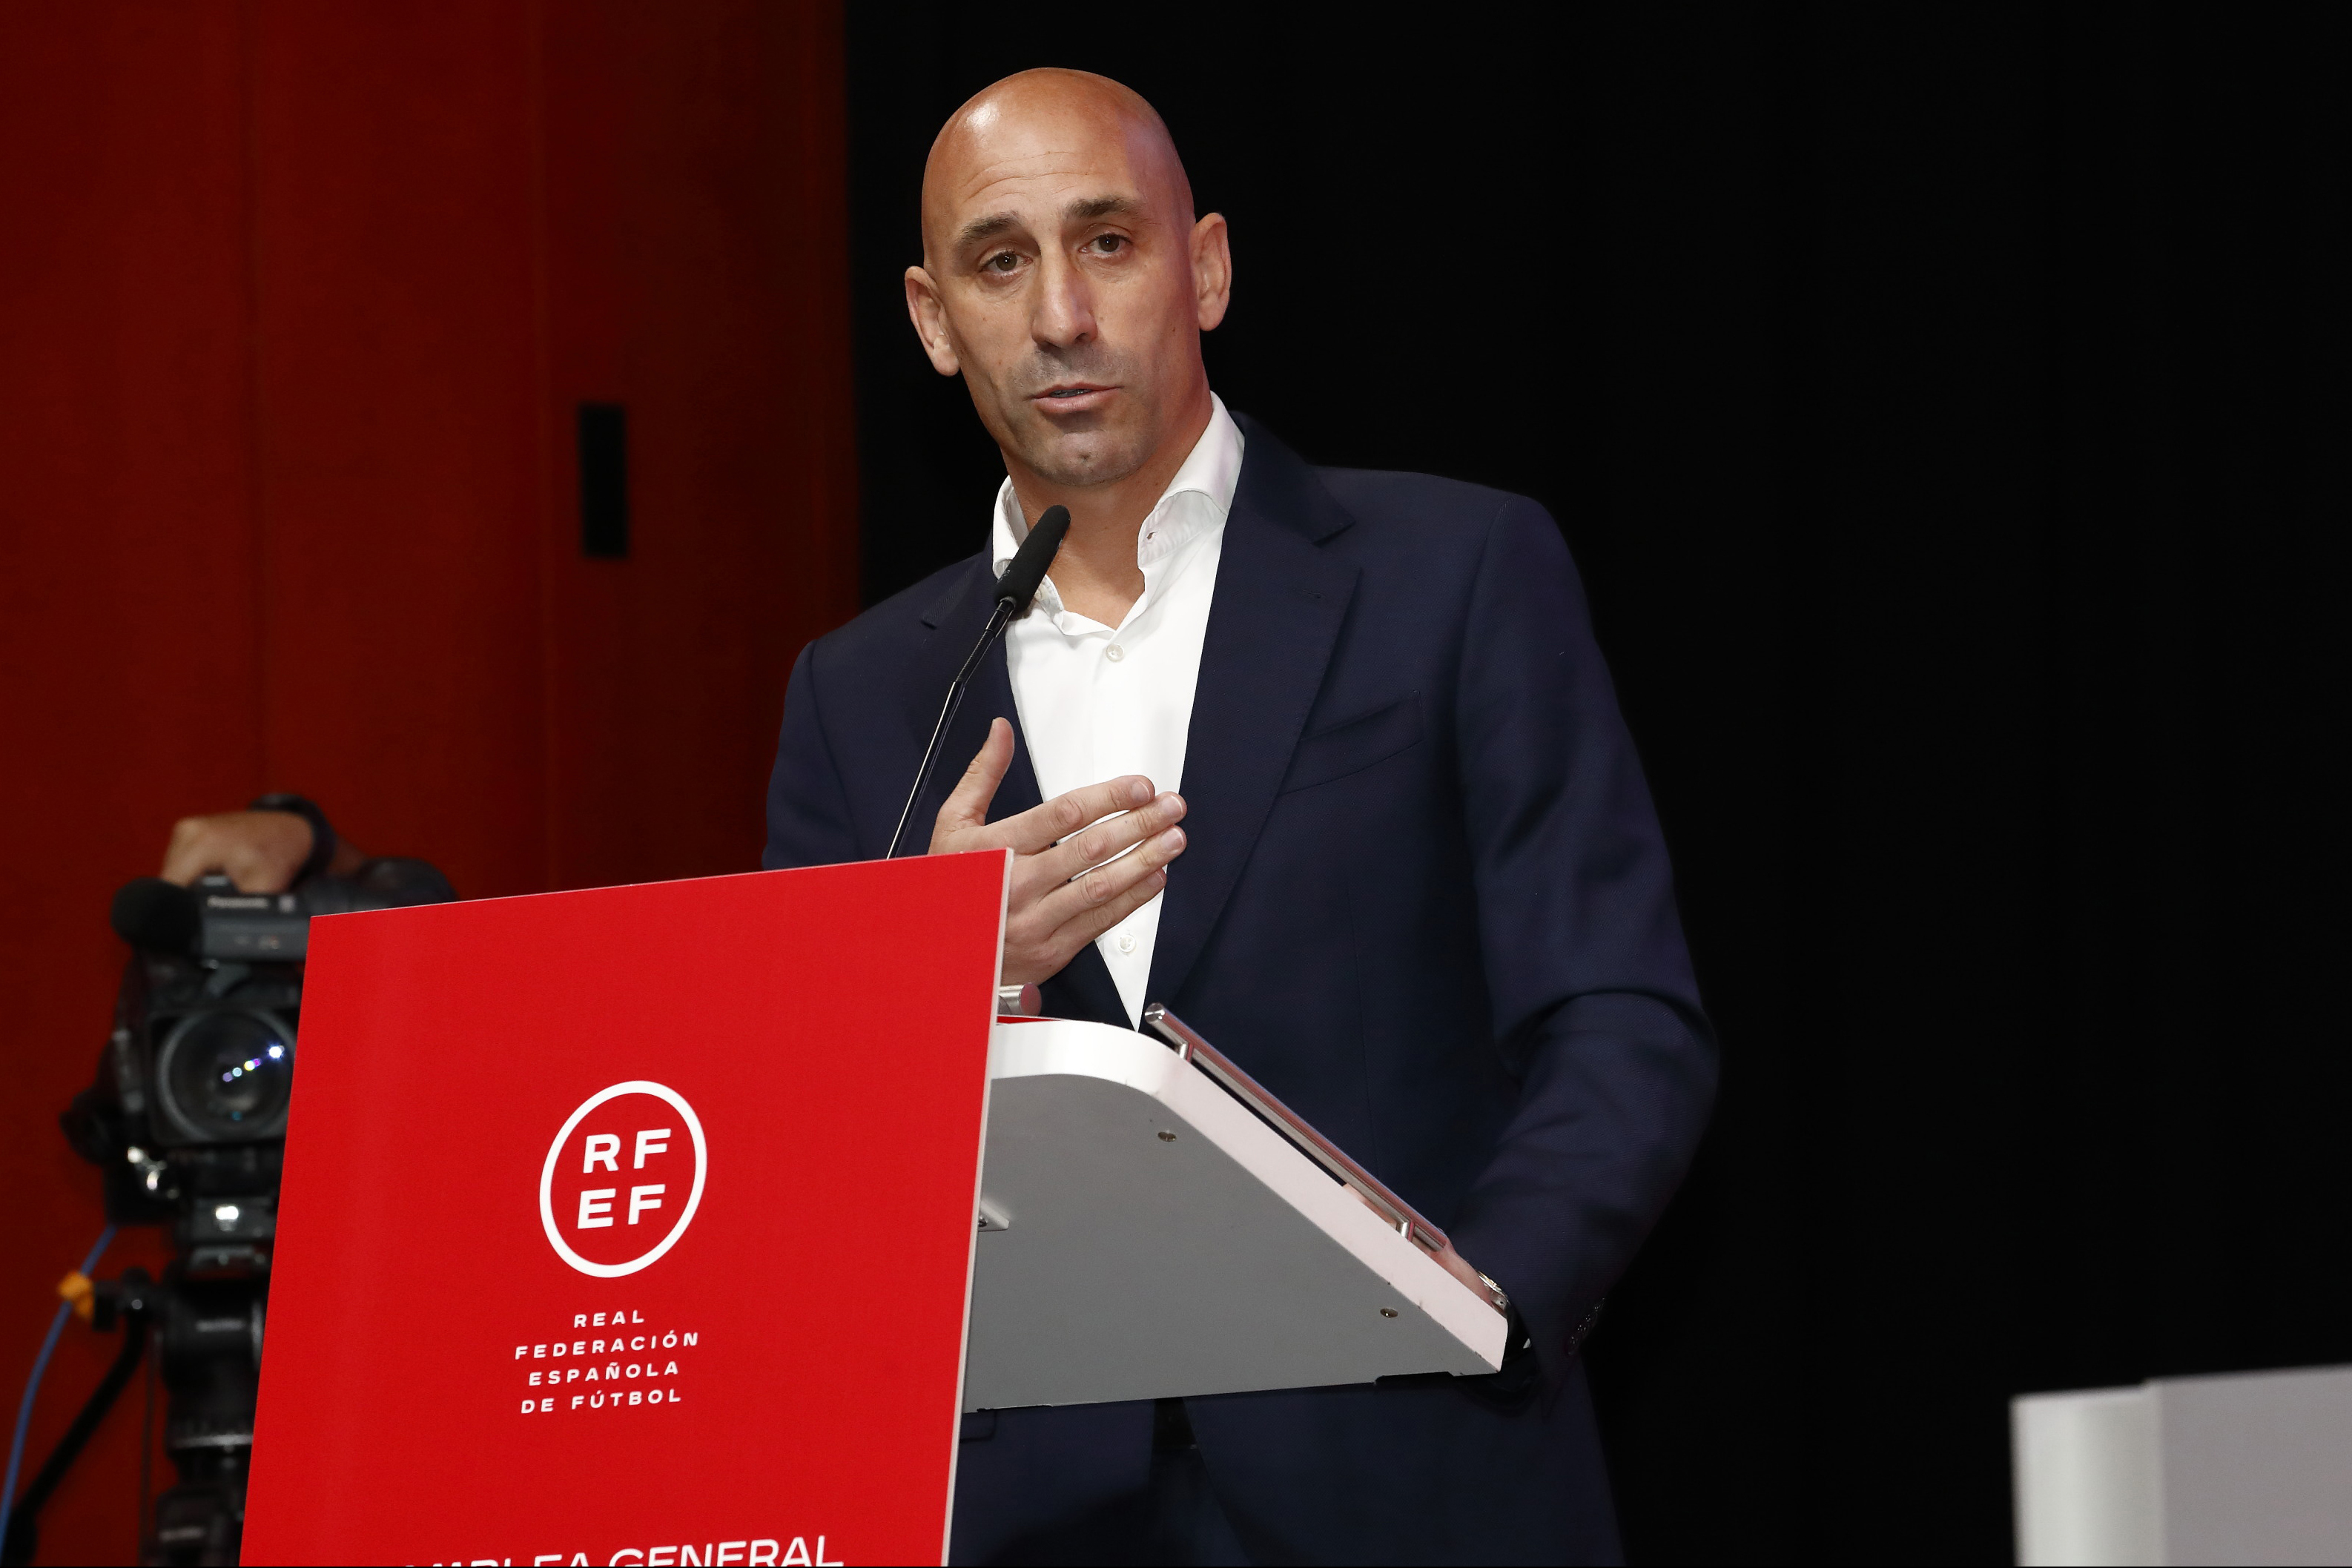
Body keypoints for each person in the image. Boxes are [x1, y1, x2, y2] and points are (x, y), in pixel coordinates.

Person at [763, 68, 1716, 1566]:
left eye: (1107, 243)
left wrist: (1474, 1309)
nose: (1059, 315)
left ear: (1202, 267)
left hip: (1414, 1478)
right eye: (998, 262)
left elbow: (1620, 1017)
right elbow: (791, 1143)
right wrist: (925, 969)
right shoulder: (858, 693)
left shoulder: (1451, 574)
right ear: (932, 319)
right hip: (1023, 1512)